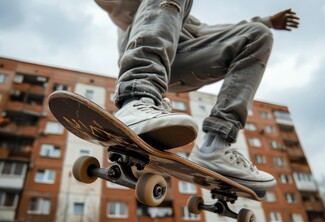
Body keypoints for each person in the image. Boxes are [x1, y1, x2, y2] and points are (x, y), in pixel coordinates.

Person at [95, 0, 300, 191]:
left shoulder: (189, 18)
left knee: (259, 34)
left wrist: (268, 22)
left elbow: (215, 32)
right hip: (143, 57)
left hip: (185, 61)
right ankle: (137, 99)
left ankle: (215, 147)